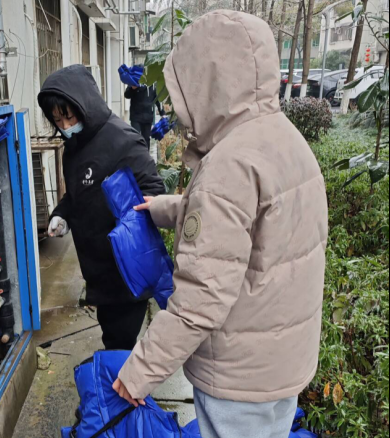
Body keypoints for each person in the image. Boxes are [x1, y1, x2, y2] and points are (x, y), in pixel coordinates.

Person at [113, 10, 328, 438]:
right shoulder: (285, 138)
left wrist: (139, 372)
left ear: (206, 82)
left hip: (239, 377)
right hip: (283, 364)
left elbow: (200, 299)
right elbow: (245, 222)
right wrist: (166, 207)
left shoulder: (228, 165)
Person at [38, 65, 165, 351]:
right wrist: (63, 214)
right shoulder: (74, 146)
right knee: (113, 339)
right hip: (98, 271)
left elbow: (154, 191)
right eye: (57, 120)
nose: (65, 126)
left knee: (120, 345)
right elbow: (79, 193)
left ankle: (123, 379)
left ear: (85, 105)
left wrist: (121, 221)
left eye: (69, 116)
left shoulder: (122, 140)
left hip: (125, 269)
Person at [124, 78, 165, 149]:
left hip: (147, 117)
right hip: (135, 116)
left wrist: (162, 113)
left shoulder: (153, 84)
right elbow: (127, 95)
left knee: (146, 139)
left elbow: (157, 100)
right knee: (135, 137)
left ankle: (145, 155)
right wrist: (132, 88)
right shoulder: (135, 80)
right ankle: (136, 154)